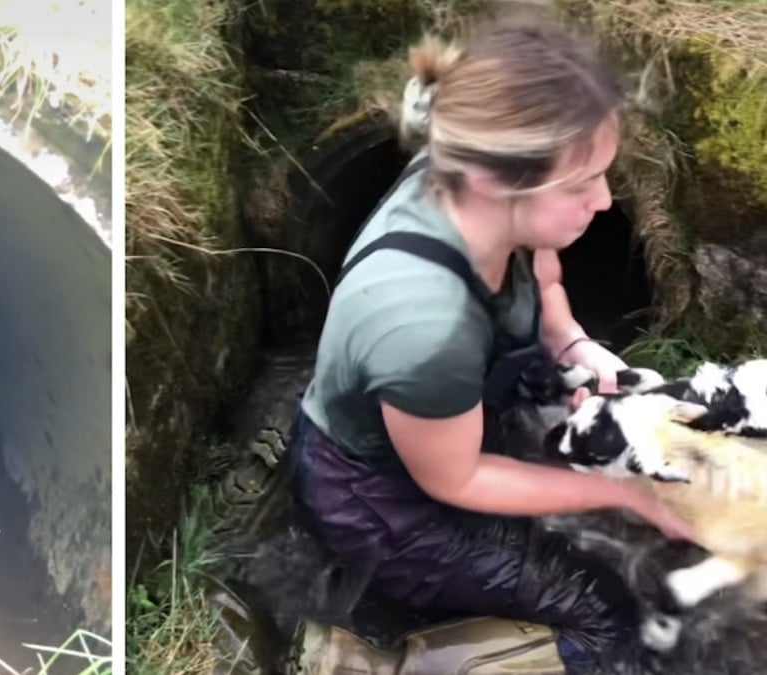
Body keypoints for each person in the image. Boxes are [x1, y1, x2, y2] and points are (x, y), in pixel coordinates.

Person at [286, 22, 697, 675]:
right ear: (496, 182)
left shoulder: (478, 187)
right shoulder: (425, 325)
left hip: (452, 417)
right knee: (611, 622)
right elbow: (457, 477)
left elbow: (545, 276)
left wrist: (576, 343)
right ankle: (373, 662)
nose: (606, 198)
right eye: (583, 182)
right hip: (382, 503)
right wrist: (630, 498)